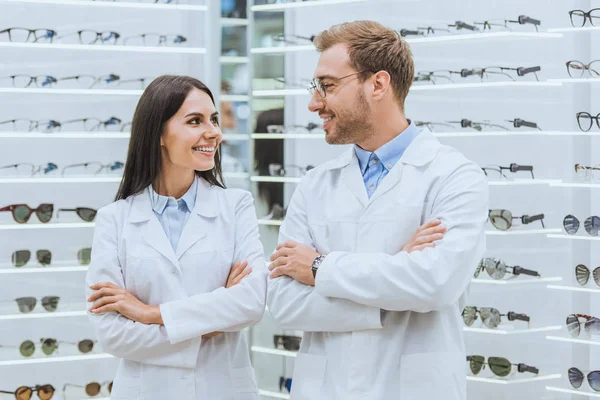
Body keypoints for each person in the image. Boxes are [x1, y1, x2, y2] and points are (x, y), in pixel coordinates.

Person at [267, 21, 488, 400]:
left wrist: (320, 268)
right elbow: (284, 303)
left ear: (378, 85)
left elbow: (435, 283)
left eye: (328, 85)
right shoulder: (315, 185)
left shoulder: (455, 176)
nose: (314, 102)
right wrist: (393, 279)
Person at [85, 75, 267, 400]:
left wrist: (150, 315)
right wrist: (214, 319)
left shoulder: (235, 206)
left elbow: (251, 304)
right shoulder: (114, 220)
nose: (213, 131)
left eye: (213, 119)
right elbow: (112, 335)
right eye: (195, 121)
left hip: (223, 389)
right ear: (159, 134)